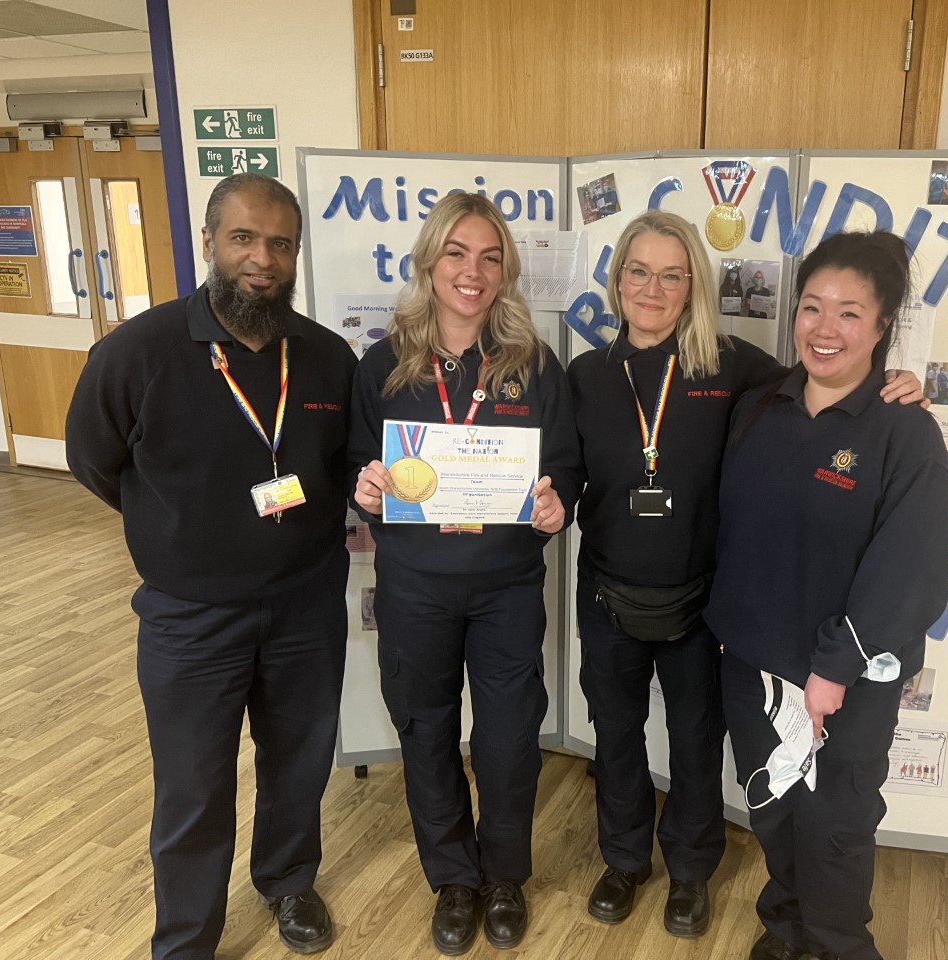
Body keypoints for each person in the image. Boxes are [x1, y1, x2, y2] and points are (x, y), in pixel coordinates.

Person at [567, 211, 926, 943]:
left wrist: (897, 381)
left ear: (694, 284)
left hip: (702, 604)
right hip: (614, 594)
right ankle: (625, 860)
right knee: (616, 734)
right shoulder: (585, 376)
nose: (654, 287)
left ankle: (693, 871)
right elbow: (565, 469)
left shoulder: (738, 371)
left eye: (673, 274)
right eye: (639, 270)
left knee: (696, 739)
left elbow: (831, 380)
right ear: (618, 278)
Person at [65, 174, 356, 959]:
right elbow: (94, 463)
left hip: (305, 607)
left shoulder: (327, 359)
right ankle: (188, 937)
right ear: (209, 242)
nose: (262, 258)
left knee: (299, 762)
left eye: (280, 243)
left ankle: (289, 883)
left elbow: (347, 469)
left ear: (296, 253)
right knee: (194, 788)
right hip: (190, 618)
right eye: (243, 239)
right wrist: (178, 535)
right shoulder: (136, 352)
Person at [706, 230, 948, 960]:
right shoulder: (757, 408)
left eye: (850, 313)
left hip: (844, 679)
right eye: (812, 307)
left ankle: (838, 945)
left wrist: (832, 671)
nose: (825, 328)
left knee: (836, 824)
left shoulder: (904, 432)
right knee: (773, 805)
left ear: (882, 328)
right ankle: (787, 928)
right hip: (752, 663)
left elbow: (909, 569)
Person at [349, 192, 581, 956]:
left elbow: (567, 468)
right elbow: (362, 465)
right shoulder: (383, 364)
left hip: (507, 586)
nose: (472, 273)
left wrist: (557, 506)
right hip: (415, 584)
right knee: (426, 730)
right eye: (457, 253)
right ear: (429, 261)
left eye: (489, 257)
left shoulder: (534, 364)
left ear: (505, 271)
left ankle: (505, 875)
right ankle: (453, 878)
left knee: (511, 738)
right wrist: (369, 490)